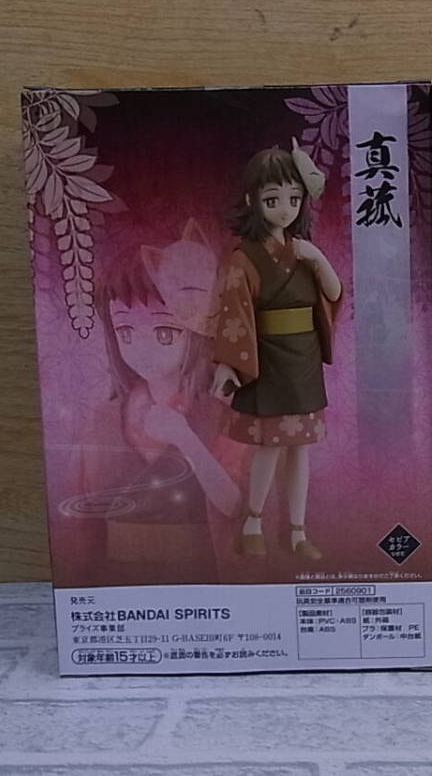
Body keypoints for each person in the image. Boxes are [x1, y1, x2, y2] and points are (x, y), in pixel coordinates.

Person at [65, 221, 241, 585]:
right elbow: (83, 520)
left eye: (164, 332)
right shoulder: (104, 417)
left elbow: (236, 505)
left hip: (200, 578)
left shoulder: (221, 413)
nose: (141, 349)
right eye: (125, 331)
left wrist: (187, 440)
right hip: (116, 580)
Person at [211, 141, 341, 560]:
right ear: (253, 201)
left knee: (301, 447)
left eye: (293, 199)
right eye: (273, 200)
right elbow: (233, 313)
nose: (284, 209)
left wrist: (317, 256)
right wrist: (228, 364)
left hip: (303, 358)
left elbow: (333, 293)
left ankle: (298, 530)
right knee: (269, 446)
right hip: (266, 360)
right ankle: (253, 520)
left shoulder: (303, 251)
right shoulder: (243, 258)